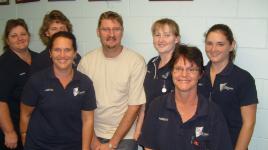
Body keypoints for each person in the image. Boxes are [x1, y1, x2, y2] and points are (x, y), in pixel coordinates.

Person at [138, 44, 233, 150]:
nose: (184, 74)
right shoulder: (157, 106)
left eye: (191, 70)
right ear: (172, 72)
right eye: (178, 68)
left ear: (200, 74)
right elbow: (149, 146)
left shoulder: (213, 113)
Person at [78, 11, 146, 150]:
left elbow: (134, 107)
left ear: (122, 31)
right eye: (106, 29)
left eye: (116, 29)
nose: (111, 34)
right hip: (93, 131)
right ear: (98, 32)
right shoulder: (86, 62)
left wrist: (112, 143)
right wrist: (93, 139)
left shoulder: (136, 61)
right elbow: (80, 103)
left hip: (125, 136)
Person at [20, 31, 96, 150]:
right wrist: (24, 137)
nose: (62, 55)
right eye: (57, 50)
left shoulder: (85, 83)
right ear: (50, 53)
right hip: (39, 146)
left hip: (73, 146)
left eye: (67, 50)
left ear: (75, 53)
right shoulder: (36, 81)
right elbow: (25, 114)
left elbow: (88, 120)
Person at [198, 24, 258, 149]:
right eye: (209, 43)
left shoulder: (243, 78)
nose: (213, 49)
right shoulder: (198, 74)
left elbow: (249, 123)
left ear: (231, 45)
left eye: (220, 44)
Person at [135, 18, 180, 141]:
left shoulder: (180, 66)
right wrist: (139, 127)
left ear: (176, 39)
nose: (161, 40)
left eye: (167, 35)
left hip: (172, 130)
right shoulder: (151, 63)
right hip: (150, 127)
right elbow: (145, 99)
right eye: (157, 35)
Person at [0, 18, 38, 150]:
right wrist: (9, 132)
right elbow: (1, 101)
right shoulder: (4, 64)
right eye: (14, 36)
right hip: (14, 129)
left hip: (37, 128)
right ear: (7, 40)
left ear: (29, 35)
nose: (19, 38)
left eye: (23, 34)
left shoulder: (38, 59)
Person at [30, 10, 81, 74]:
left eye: (62, 28)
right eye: (54, 29)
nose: (59, 32)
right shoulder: (39, 61)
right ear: (47, 33)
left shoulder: (76, 57)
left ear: (68, 30)